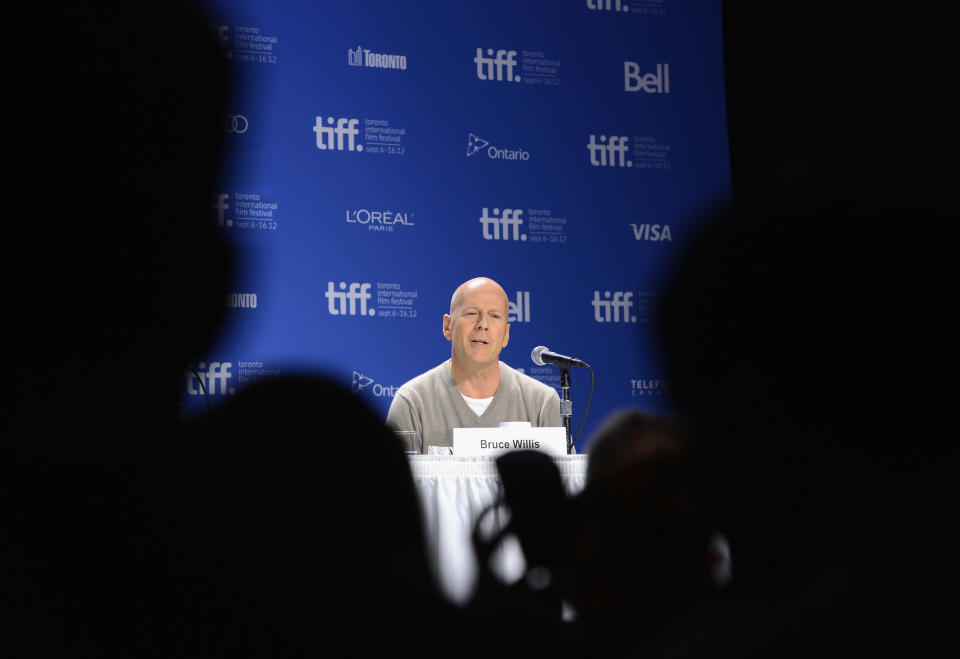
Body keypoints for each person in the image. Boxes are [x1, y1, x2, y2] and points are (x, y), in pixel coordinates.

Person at [387, 277, 561, 452]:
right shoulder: (413, 402)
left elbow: (562, 477)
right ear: (447, 326)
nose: (483, 325)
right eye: (471, 313)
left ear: (506, 334)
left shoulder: (541, 403)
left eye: (494, 316)